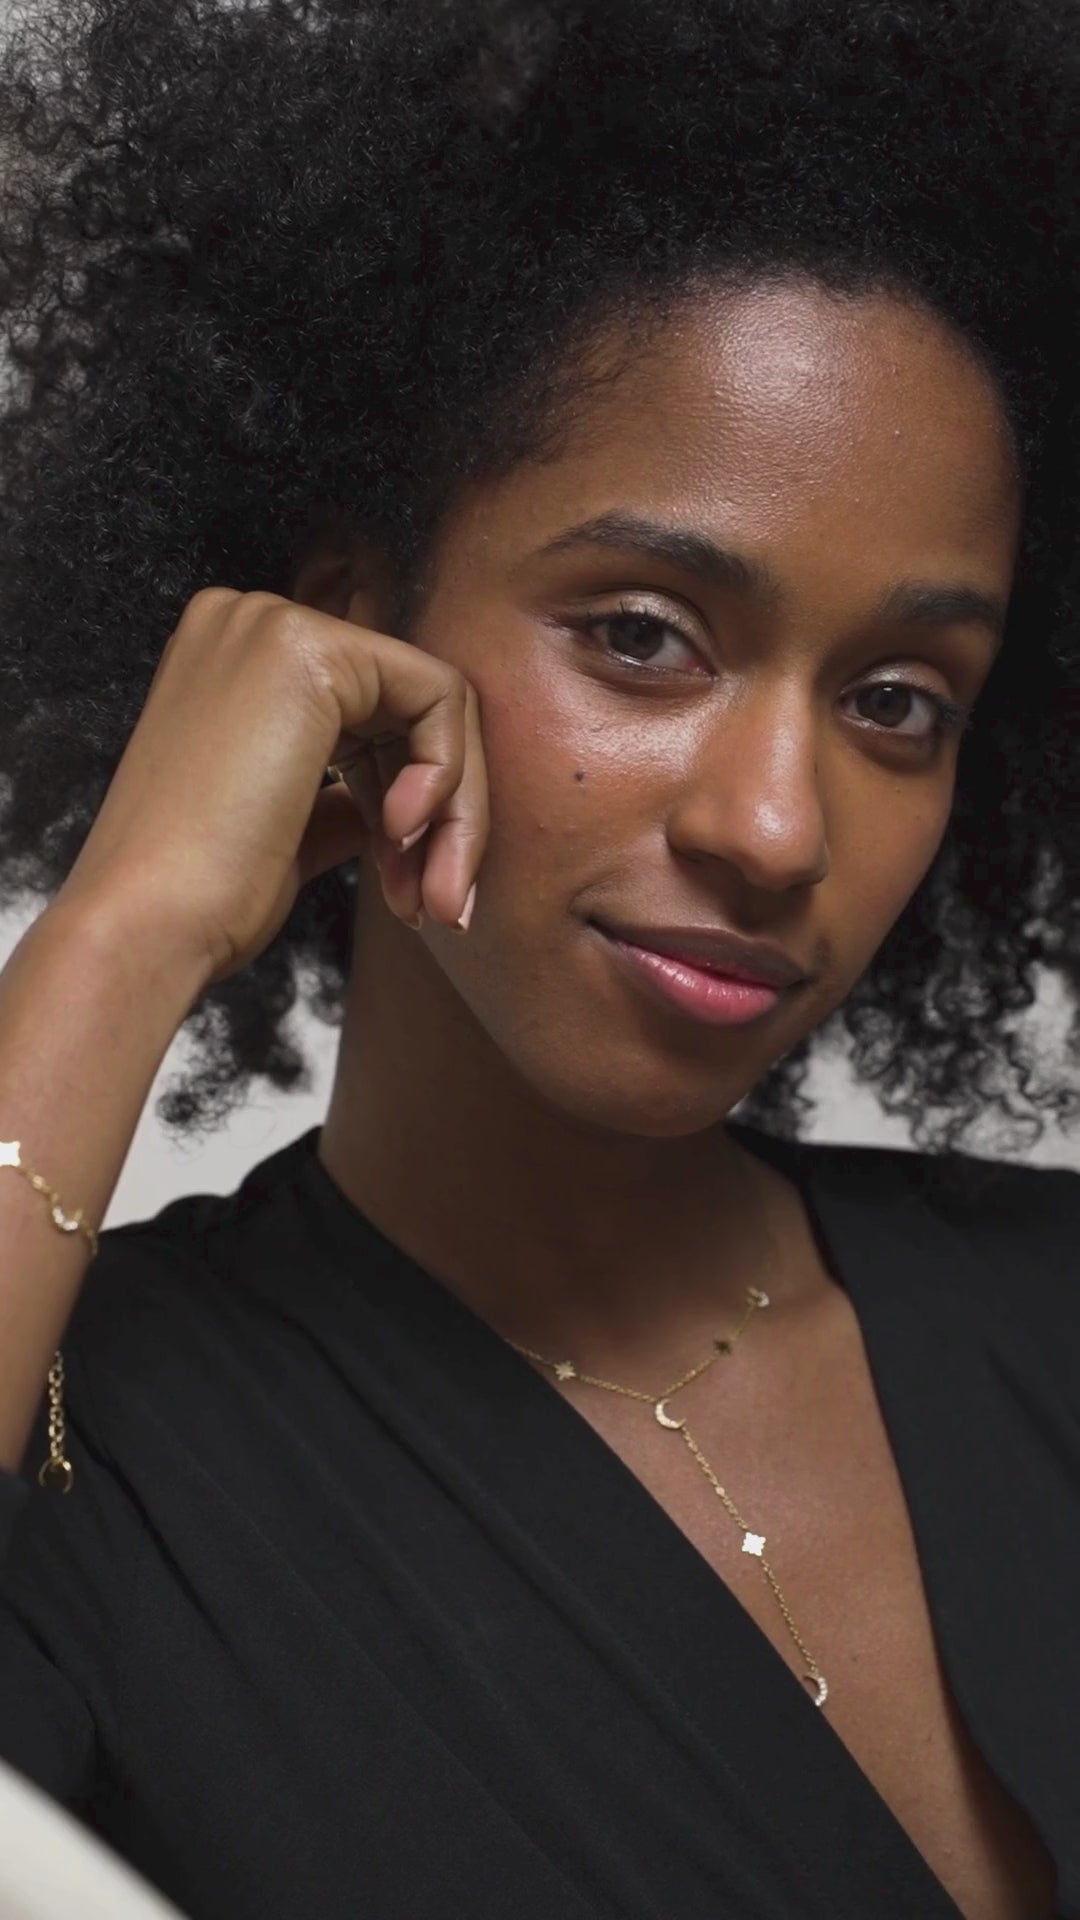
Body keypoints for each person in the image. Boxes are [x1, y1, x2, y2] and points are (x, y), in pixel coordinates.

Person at [0, 0, 1076, 1916]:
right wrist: (121, 929)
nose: (778, 827)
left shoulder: (1050, 1305)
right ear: (348, 626)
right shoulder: (96, 1454)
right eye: (646, 635)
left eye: (898, 699)